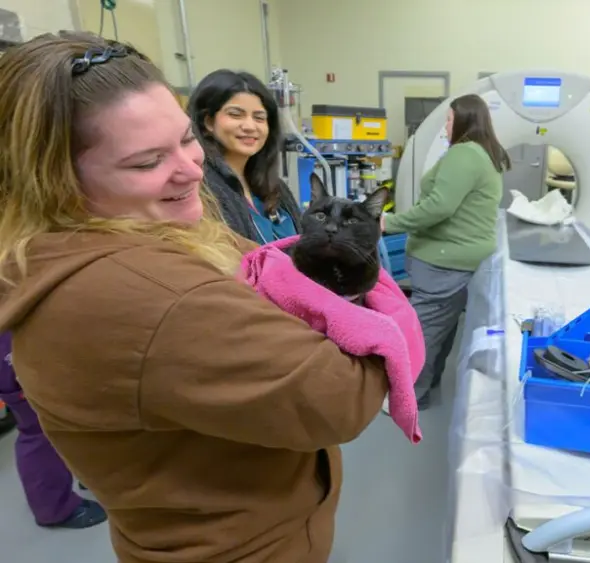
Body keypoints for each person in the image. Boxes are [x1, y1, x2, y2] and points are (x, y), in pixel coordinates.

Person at [0, 32, 387, 563]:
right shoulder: (147, 297)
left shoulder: (145, 226)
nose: (191, 169)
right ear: (55, 180)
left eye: (186, 141)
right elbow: (339, 399)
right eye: (145, 162)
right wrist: (381, 314)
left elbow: (258, 258)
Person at [381, 94, 509, 410]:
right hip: (462, 259)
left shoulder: (464, 155)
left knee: (423, 330)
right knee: (442, 326)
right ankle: (429, 382)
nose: (445, 126)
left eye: (449, 120)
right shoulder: (484, 154)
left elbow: (439, 206)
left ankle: (411, 394)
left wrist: (388, 222)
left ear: (464, 120)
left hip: (445, 260)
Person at [0, 332, 108, 529]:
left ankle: (88, 475)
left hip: (30, 333)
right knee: (38, 427)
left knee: (73, 411)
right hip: (11, 343)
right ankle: (54, 508)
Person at [188, 69, 301, 243]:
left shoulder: (274, 188)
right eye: (235, 114)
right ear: (208, 121)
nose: (250, 126)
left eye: (259, 117)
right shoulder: (201, 190)